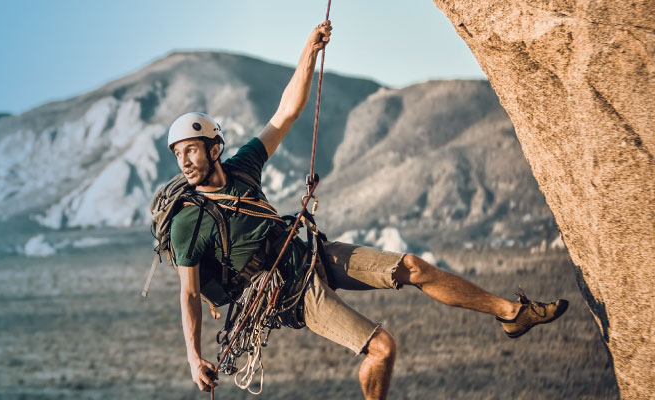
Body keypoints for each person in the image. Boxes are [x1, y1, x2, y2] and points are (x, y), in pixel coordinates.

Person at [156, 21, 568, 400]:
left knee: (414, 267)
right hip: (291, 294)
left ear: (214, 148)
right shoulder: (189, 222)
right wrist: (194, 358)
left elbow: (285, 114)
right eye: (179, 155)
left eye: (191, 150)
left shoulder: (243, 167)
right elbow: (189, 295)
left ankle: (512, 314)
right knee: (383, 348)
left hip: (310, 254)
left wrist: (308, 53)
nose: (185, 161)